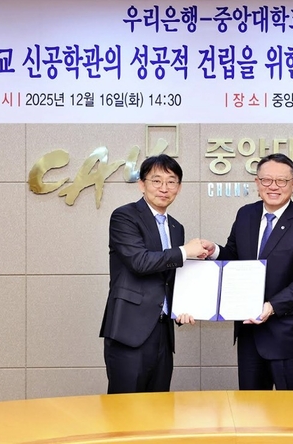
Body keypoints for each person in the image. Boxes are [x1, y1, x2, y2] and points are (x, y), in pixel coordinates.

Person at [202, 153, 293, 390]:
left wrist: (271, 306)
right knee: (251, 406)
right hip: (250, 333)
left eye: (281, 181)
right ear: (257, 183)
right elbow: (235, 256)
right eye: (267, 180)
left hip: (288, 336)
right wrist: (215, 251)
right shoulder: (245, 214)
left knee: (292, 407)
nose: (273, 186)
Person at [100, 154, 208, 394]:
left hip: (163, 332)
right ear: (142, 184)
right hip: (129, 331)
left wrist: (182, 307)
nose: (164, 188)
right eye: (156, 181)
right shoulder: (124, 216)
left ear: (179, 188)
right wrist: (185, 251)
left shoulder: (176, 227)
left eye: (171, 182)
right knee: (124, 407)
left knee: (159, 406)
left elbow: (169, 276)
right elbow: (139, 262)